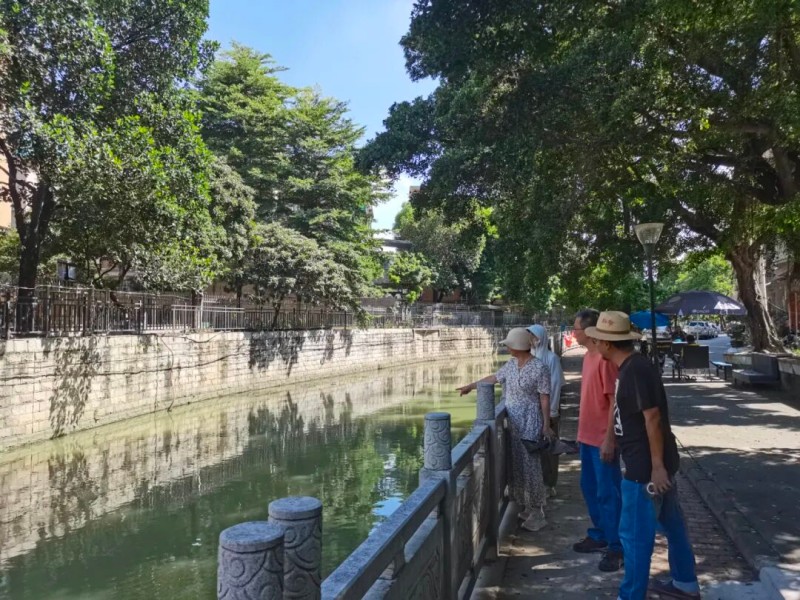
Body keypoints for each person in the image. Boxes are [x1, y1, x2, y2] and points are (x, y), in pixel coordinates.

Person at [587, 311, 700, 600]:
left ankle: (631, 595)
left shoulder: (634, 371)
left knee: (634, 537)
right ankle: (685, 582)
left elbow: (652, 418)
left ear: (608, 344)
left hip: (643, 469)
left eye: (597, 340)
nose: (595, 345)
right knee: (673, 524)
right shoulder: (630, 368)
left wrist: (657, 467)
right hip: (649, 463)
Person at [457, 327, 553, 532]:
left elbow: (544, 397)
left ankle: (538, 512)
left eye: (509, 345)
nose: (507, 348)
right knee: (517, 464)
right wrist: (471, 386)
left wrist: (546, 424)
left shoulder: (540, 367)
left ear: (517, 346)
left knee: (531, 465)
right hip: (513, 423)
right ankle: (527, 505)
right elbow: (493, 378)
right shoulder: (511, 365)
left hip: (531, 421)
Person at [571, 309, 624, 572]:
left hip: (602, 438)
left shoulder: (605, 361)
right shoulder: (588, 357)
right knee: (590, 488)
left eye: (576, 328)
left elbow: (614, 401)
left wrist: (609, 439)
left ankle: (617, 546)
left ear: (590, 331)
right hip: (587, 436)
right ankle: (600, 533)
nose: (573, 333)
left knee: (608, 492)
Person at [527, 324, 565, 497]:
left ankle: (550, 484)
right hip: (532, 412)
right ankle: (536, 483)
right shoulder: (529, 357)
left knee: (550, 449)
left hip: (549, 411)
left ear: (540, 338)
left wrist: (551, 413)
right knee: (534, 449)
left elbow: (555, 386)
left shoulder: (551, 358)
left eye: (533, 336)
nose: (530, 340)